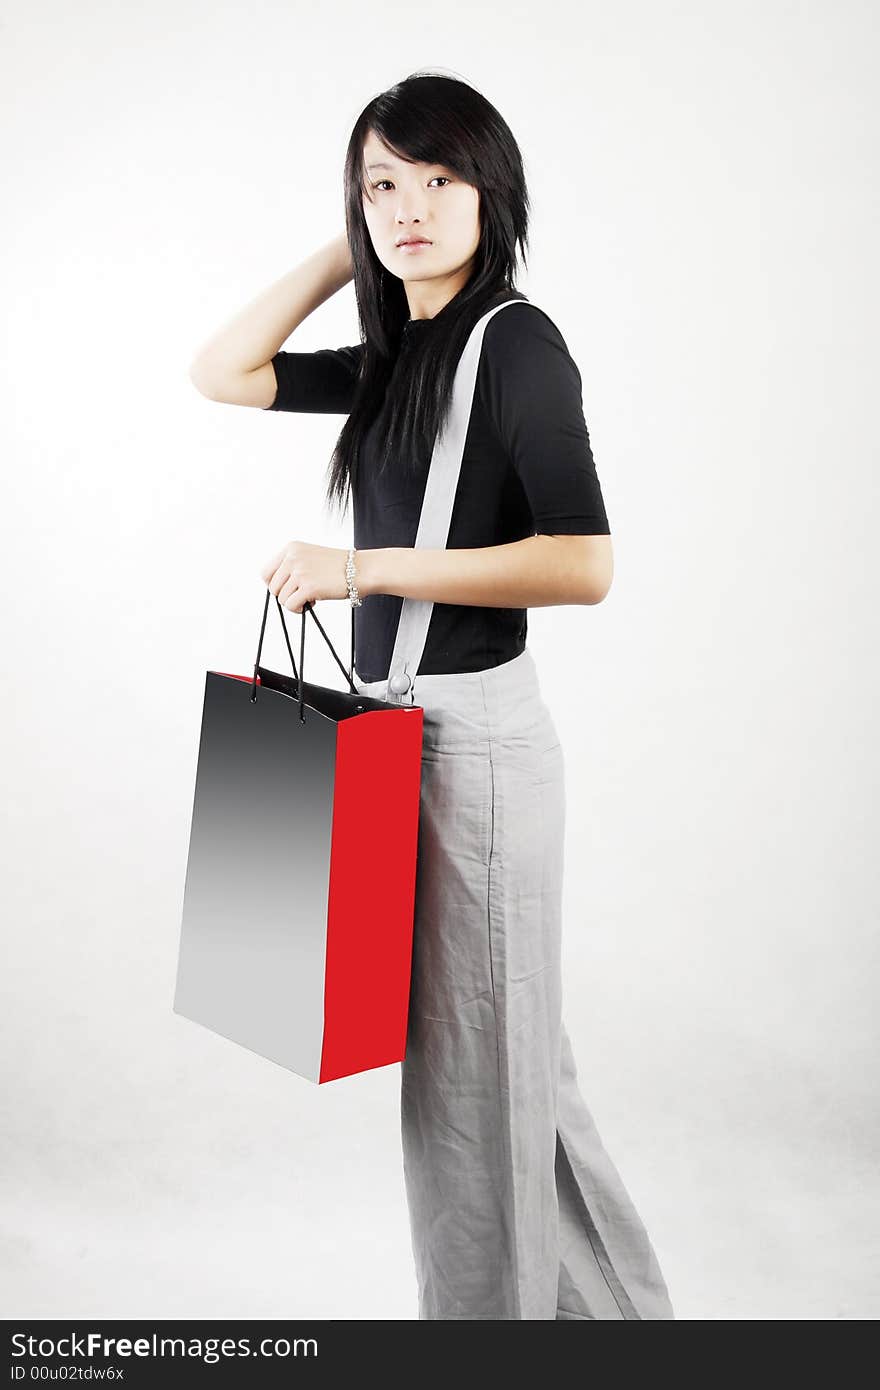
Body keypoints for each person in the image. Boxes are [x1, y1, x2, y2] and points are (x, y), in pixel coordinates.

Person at [189, 68, 675, 1322]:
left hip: (483, 757)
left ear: (490, 189)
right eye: (381, 185)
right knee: (513, 1082)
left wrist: (360, 568)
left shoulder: (515, 343)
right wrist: (346, 247)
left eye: (437, 179)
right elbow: (221, 371)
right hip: (407, 735)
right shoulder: (403, 355)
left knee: (470, 1099)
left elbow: (584, 561)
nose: (409, 206)